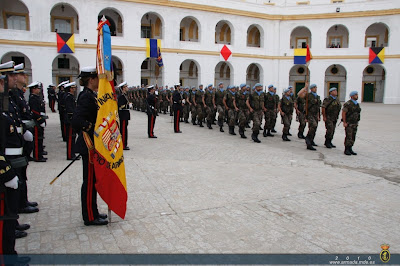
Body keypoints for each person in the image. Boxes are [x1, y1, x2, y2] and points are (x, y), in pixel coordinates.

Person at [72, 66, 108, 226]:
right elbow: (77, 120)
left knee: (92, 181)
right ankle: (89, 216)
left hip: (92, 145)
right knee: (89, 182)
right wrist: (95, 128)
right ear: (91, 80)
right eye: (97, 79)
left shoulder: (90, 95)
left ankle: (93, 212)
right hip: (88, 145)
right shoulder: (85, 97)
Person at [298, 83, 320, 151]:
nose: (315, 89)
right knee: (313, 125)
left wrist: (319, 115)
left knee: (314, 128)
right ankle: (308, 140)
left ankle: (311, 140)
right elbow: (299, 94)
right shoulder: (308, 95)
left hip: (315, 114)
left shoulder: (317, 96)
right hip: (310, 114)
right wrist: (305, 87)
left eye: (316, 87)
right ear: (311, 89)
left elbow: (318, 107)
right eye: (314, 87)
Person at [28, 82, 47, 162]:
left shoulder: (36, 97)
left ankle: (40, 153)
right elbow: (34, 111)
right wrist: (39, 119)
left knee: (40, 138)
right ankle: (37, 156)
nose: (39, 90)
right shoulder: (33, 98)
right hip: (37, 121)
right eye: (37, 88)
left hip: (40, 119)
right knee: (37, 139)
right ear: (33, 89)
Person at [342, 91, 361, 156]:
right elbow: (344, 113)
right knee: (348, 136)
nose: (357, 96)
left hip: (355, 123)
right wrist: (344, 122)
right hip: (349, 122)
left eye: (357, 94)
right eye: (355, 95)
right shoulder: (348, 104)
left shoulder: (357, 104)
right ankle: (346, 149)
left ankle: (350, 148)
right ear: (352, 96)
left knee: (353, 136)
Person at [64, 82, 78, 160]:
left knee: (72, 137)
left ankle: (72, 153)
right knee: (70, 138)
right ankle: (70, 155)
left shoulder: (71, 96)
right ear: (70, 89)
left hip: (71, 119)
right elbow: (70, 110)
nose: (74, 89)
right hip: (69, 119)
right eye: (73, 88)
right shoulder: (69, 97)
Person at [117, 81, 131, 150]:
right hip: (123, 115)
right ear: (123, 88)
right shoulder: (121, 96)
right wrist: (128, 105)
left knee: (125, 129)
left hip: (125, 114)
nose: (127, 88)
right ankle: (123, 144)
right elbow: (120, 106)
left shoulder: (125, 95)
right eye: (126, 87)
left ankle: (125, 143)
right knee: (123, 130)